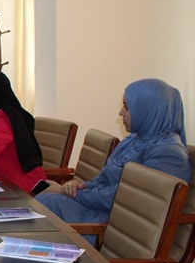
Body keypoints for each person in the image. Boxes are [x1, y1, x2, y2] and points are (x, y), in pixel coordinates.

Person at [37, 78, 191, 224]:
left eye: (127, 107)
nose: (121, 112)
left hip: (115, 224)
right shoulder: (135, 139)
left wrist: (67, 192)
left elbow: (126, 198)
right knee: (42, 203)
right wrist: (80, 186)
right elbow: (104, 179)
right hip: (101, 209)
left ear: (149, 110)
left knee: (44, 206)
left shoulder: (168, 154)